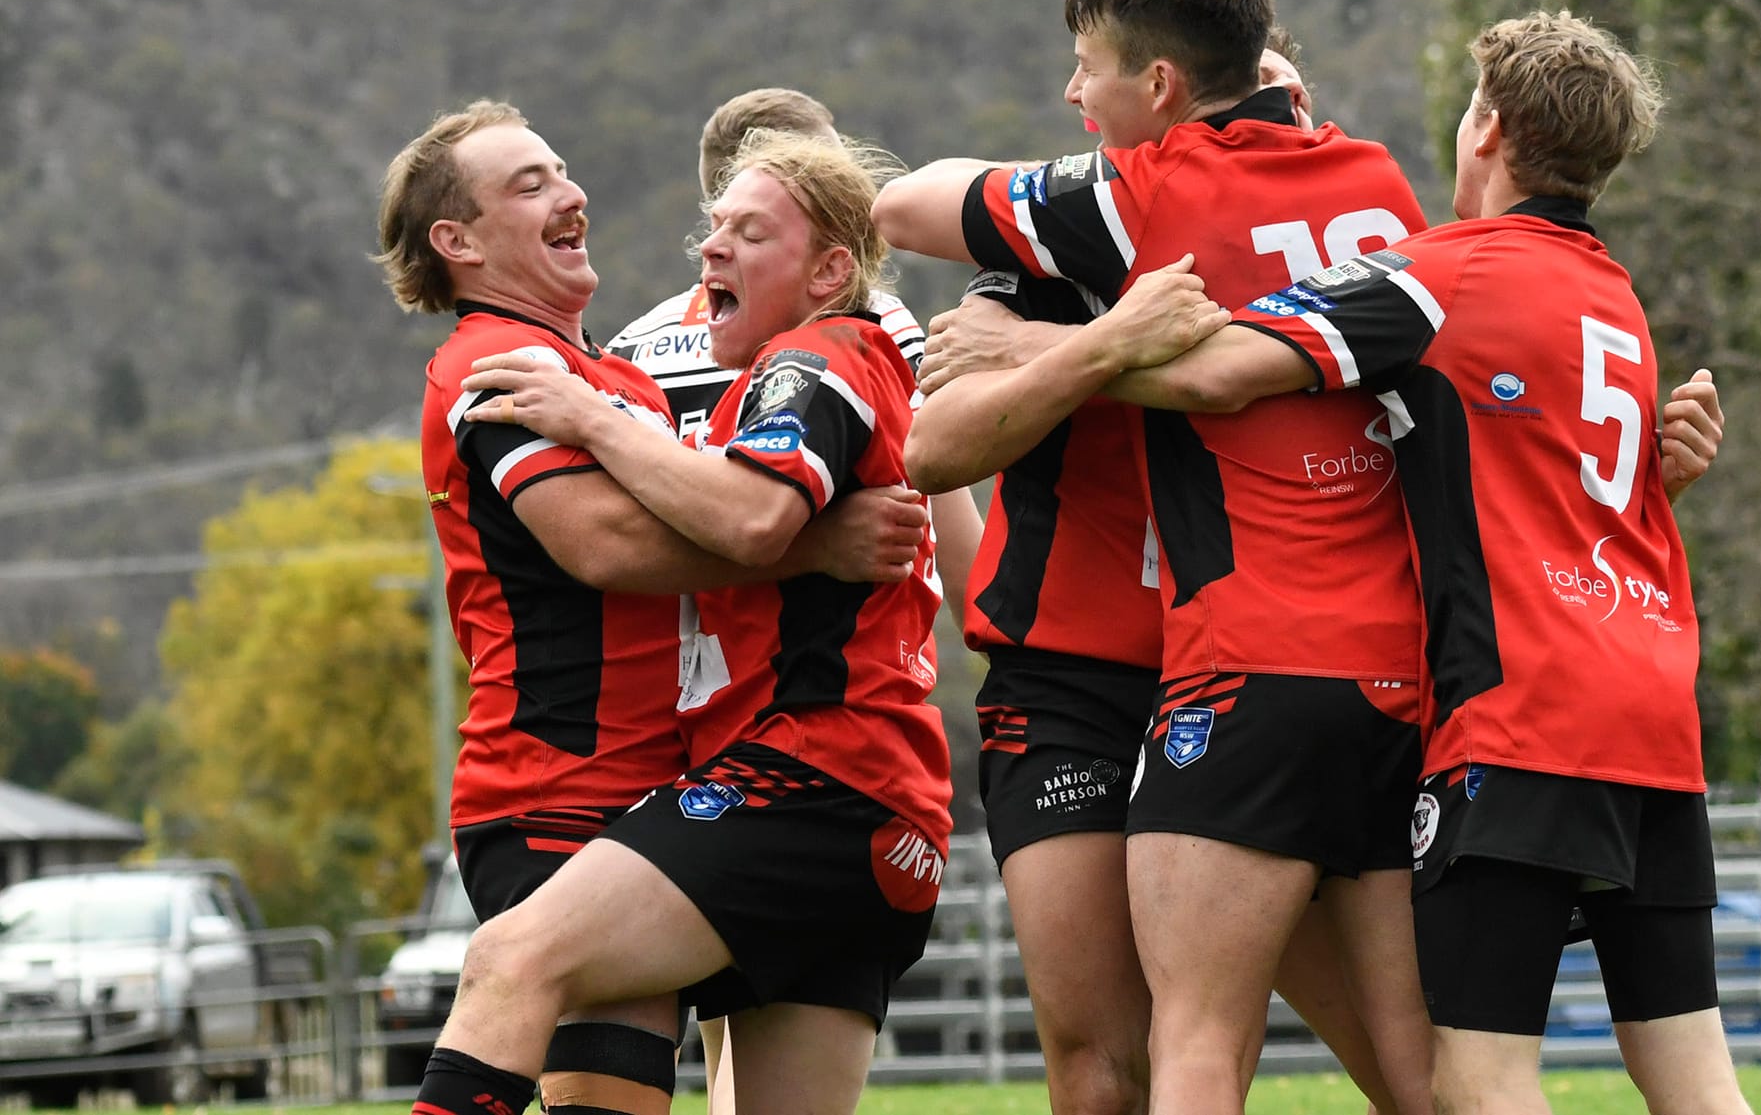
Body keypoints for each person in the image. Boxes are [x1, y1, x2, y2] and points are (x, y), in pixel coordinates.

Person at [400, 131, 1224, 1115]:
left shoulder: (811, 357)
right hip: (867, 808)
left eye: (747, 232)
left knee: (507, 960)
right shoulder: (759, 363)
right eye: (713, 228)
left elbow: (742, 521)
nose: (710, 253)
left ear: (830, 267)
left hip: (807, 784)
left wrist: (595, 423)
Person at [1076, 11, 1743, 1114]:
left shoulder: (1433, 275)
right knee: (1692, 1075)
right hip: (1653, 714)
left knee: (1481, 1081)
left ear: (1483, 126)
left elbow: (1214, 375)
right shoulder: (1612, 296)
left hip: (1521, 714)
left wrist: (1050, 357)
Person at [873, 0, 1436, 1114]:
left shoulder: (1144, 190)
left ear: (1162, 88)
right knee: (1106, 1062)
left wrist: (1071, 349)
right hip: (1106, 671)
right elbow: (931, 451)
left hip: (1243, 665)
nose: (1071, 92)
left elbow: (904, 203)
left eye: (1087, 67)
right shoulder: (1372, 184)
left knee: (1214, 1048)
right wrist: (1080, 345)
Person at [374, 101, 923, 1115]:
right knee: (515, 967)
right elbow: (606, 545)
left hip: (678, 783)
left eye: (562, 169)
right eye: (528, 183)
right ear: (456, 242)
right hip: (552, 784)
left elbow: (749, 515)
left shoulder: (620, 377)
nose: (569, 192)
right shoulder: (493, 361)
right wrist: (816, 541)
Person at [609, 87, 984, 632]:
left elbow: (616, 540)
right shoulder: (866, 322)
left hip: (690, 684)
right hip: (829, 677)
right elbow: (938, 504)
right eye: (835, 178)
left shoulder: (630, 348)